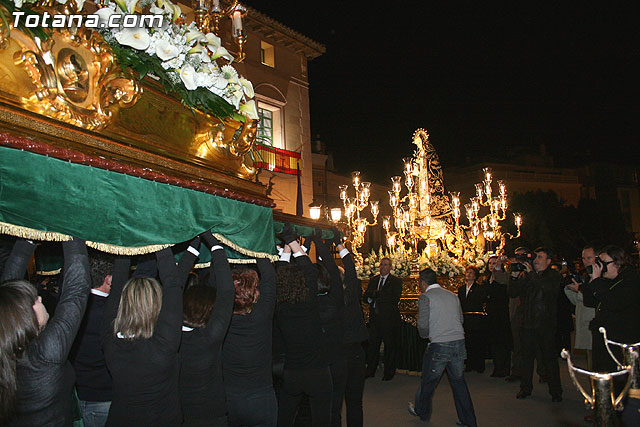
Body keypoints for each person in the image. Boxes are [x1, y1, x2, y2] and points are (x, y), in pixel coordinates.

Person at [102, 237, 198, 426]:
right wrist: (157, 234)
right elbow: (172, 285)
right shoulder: (162, 346)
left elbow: (117, 287)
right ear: (157, 305)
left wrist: (128, 236)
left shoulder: (110, 341)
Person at [1, 237, 90, 426]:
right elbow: (76, 291)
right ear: (25, 315)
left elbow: (7, 295)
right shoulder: (44, 356)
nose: (40, 299)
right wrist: (72, 232)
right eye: (35, 300)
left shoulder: (6, 344)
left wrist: (27, 241)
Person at [275, 225, 332, 427]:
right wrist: (291, 241)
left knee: (285, 417)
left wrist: (287, 247)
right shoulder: (310, 302)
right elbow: (309, 269)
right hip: (317, 372)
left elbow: (281, 273)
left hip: (292, 373)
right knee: (322, 419)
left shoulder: (280, 307)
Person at [408, 268, 477, 427]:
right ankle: (469, 420)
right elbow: (460, 318)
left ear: (423, 283)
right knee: (459, 383)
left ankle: (423, 412)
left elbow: (423, 326)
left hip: (439, 345)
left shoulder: (425, 297)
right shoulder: (452, 295)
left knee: (428, 382)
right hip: (459, 343)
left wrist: (426, 335)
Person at [179, 232, 235, 426]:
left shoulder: (168, 336)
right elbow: (227, 291)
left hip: (179, 413)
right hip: (213, 416)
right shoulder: (211, 337)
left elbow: (174, 287)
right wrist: (214, 245)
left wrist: (194, 247)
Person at [223, 253, 277, 426]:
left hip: (229, 398)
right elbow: (269, 276)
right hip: (261, 398)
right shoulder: (262, 316)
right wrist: (258, 242)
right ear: (255, 292)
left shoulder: (220, 320)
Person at [508, 247, 563, 402]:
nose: (536, 260)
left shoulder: (553, 275)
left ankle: (556, 391)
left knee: (549, 359)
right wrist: (513, 276)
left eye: (540, 257)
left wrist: (531, 273)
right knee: (527, 359)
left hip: (546, 325)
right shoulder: (527, 276)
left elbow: (546, 289)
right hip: (527, 324)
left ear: (548, 261)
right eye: (536, 257)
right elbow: (512, 293)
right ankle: (525, 388)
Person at [70, 251, 115, 427]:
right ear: (109, 279)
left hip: (76, 392)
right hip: (102, 396)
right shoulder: (110, 313)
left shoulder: (72, 306)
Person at [580, 245, 640, 373]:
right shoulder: (607, 280)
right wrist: (591, 281)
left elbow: (614, 302)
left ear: (618, 262)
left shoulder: (630, 280)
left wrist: (597, 282)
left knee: (619, 380)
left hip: (620, 342)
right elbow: (591, 302)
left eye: (604, 263)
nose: (601, 267)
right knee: (602, 374)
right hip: (605, 339)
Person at [332, 229, 368, 427]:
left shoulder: (329, 301)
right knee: (355, 401)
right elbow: (351, 269)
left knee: (335, 402)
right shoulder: (351, 297)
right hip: (356, 352)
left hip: (338, 354)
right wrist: (339, 245)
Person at [363, 257, 403, 380]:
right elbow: (366, 297)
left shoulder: (395, 281)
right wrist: (373, 297)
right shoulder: (374, 280)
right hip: (375, 318)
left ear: (390, 267)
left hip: (388, 319)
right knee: (373, 345)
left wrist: (376, 295)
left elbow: (394, 298)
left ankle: (388, 372)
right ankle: (371, 370)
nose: (382, 267)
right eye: (381, 264)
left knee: (389, 346)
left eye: (385, 265)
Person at [564, 246, 596, 369]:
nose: (586, 261)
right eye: (583, 258)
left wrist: (579, 290)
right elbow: (577, 301)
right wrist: (569, 289)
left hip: (594, 324)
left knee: (596, 362)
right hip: (584, 321)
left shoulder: (601, 278)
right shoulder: (587, 277)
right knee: (590, 360)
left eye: (589, 258)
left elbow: (594, 298)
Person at [485, 255, 512, 377]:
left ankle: (505, 368)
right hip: (491, 314)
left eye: (495, 263)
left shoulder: (503, 278)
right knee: (494, 342)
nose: (492, 265)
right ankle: (497, 367)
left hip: (501, 313)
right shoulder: (486, 279)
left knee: (503, 342)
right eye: (490, 263)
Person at [457, 266, 487, 373]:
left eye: (471, 273)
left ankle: (479, 365)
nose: (468, 274)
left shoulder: (479, 288)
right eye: (467, 272)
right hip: (465, 319)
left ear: (475, 276)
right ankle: (469, 364)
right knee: (467, 342)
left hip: (476, 319)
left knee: (477, 342)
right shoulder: (461, 289)